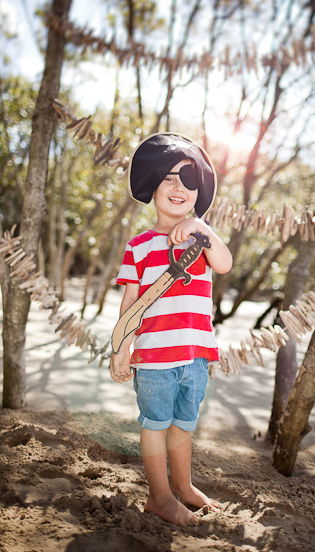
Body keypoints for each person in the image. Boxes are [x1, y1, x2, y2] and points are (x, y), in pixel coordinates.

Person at [109, 132, 232, 527]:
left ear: (199, 192)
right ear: (154, 187)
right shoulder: (139, 245)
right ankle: (160, 496)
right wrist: (120, 349)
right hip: (155, 358)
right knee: (156, 426)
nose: (178, 187)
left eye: (188, 179)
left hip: (196, 357)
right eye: (169, 178)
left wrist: (203, 229)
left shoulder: (203, 239)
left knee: (184, 426)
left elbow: (226, 264)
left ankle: (184, 487)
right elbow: (131, 304)